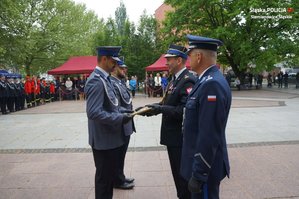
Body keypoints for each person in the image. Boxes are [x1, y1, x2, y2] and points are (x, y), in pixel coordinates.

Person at [181, 34, 232, 199]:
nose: (188, 58)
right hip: (202, 164)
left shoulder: (211, 84)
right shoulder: (206, 80)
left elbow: (209, 134)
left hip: (205, 168)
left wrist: (199, 173)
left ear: (199, 56)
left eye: (190, 54)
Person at [143, 44, 197, 199]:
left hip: (179, 139)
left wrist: (160, 109)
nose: (166, 63)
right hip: (172, 137)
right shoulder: (175, 80)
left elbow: (183, 111)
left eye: (169, 60)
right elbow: (167, 103)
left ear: (179, 60)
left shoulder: (188, 81)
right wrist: (150, 109)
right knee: (177, 174)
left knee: (182, 177)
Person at [84, 46, 133, 199]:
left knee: (108, 179)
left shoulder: (105, 79)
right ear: (104, 59)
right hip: (103, 140)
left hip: (109, 139)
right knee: (104, 181)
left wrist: (125, 113)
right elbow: (93, 112)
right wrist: (119, 118)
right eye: (113, 60)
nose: (115, 64)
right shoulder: (96, 81)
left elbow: (111, 106)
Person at [110, 60, 135, 190]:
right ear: (114, 68)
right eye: (122, 68)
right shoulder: (112, 84)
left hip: (126, 123)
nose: (125, 70)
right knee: (118, 155)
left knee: (122, 154)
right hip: (120, 124)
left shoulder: (119, 83)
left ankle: (121, 176)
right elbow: (116, 106)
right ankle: (117, 180)